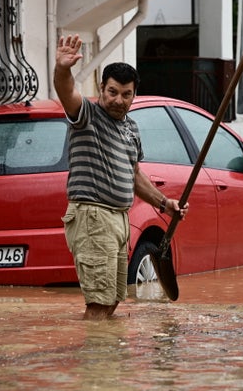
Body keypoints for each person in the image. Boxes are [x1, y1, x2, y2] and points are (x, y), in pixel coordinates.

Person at [53, 34, 189, 320]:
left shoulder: (132, 129)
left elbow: (135, 175)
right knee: (99, 304)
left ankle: (109, 361)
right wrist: (63, 69)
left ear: (134, 94)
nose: (118, 100)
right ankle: (95, 360)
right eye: (112, 92)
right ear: (101, 88)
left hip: (119, 219)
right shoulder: (86, 115)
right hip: (93, 217)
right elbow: (67, 93)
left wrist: (165, 204)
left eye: (126, 94)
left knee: (113, 300)